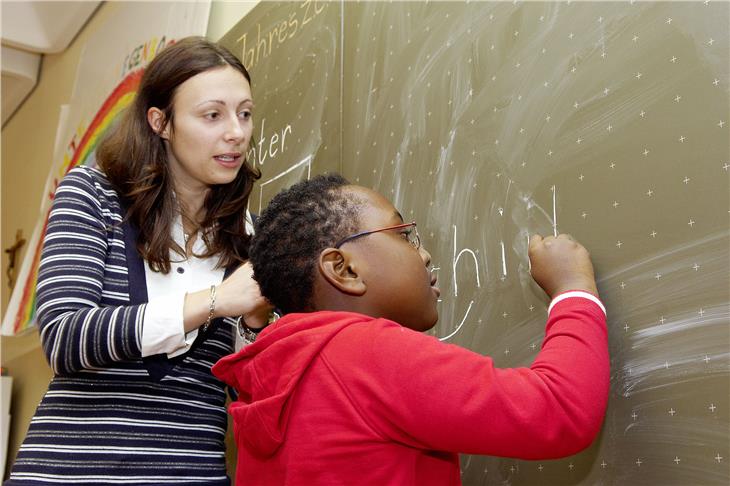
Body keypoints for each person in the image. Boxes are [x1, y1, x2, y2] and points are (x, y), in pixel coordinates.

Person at [213, 174, 609, 486]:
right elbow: (559, 411)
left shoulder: (271, 372)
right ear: (343, 269)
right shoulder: (364, 353)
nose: (424, 252)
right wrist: (573, 287)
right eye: (403, 235)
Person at [8, 37, 271, 485]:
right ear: (160, 121)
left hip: (191, 472)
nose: (237, 132)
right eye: (213, 115)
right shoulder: (92, 195)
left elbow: (249, 391)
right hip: (70, 475)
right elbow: (64, 339)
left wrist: (256, 324)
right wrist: (216, 300)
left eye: (244, 113)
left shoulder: (252, 237)